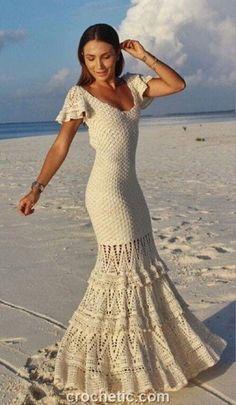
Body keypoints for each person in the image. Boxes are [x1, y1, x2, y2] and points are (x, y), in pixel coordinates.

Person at [17, 23, 227, 403]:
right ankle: (101, 359)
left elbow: (177, 85)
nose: (99, 65)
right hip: (106, 195)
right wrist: (37, 187)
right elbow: (60, 146)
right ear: (82, 60)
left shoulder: (132, 86)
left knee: (143, 268)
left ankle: (142, 356)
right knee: (118, 275)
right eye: (90, 58)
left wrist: (146, 56)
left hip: (133, 192)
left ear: (118, 53)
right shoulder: (81, 94)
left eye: (106, 56)